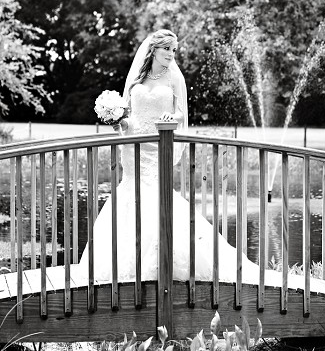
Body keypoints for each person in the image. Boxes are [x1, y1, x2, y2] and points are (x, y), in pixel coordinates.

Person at [79, 29, 259, 283]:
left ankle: (162, 263)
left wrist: (169, 119)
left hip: (158, 147)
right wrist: (118, 121)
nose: (171, 55)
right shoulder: (136, 80)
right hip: (134, 148)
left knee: (156, 196)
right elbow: (131, 118)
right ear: (154, 49)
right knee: (129, 195)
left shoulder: (174, 77)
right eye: (167, 50)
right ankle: (124, 264)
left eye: (174, 50)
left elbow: (181, 115)